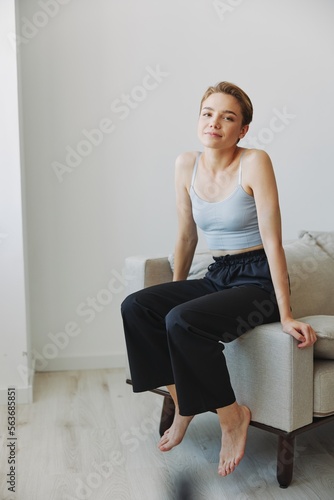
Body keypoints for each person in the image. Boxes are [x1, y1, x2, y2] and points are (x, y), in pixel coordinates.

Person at [121, 82, 317, 477]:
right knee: (138, 306)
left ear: (242, 129)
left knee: (184, 321)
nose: (215, 122)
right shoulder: (184, 164)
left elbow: (272, 241)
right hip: (219, 274)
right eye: (208, 113)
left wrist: (286, 314)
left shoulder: (255, 161)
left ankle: (232, 417)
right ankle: (185, 403)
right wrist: (172, 293)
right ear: (199, 118)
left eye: (228, 117)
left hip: (256, 280)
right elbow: (186, 235)